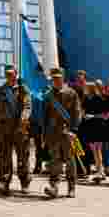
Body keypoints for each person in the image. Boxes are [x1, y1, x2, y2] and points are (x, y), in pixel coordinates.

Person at [0, 66, 32, 196]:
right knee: (5, 157)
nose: (9, 76)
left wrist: (23, 119)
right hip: (4, 128)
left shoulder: (23, 90)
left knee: (23, 156)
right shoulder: (0, 91)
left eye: (11, 74)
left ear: (16, 74)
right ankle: (4, 182)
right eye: (7, 74)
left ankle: (24, 182)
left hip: (20, 128)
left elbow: (27, 106)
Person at [42, 68, 81, 199]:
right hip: (53, 132)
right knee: (54, 160)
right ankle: (54, 186)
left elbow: (76, 113)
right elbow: (45, 115)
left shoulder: (71, 93)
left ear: (63, 77)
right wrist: (44, 133)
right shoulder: (48, 95)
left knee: (70, 160)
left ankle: (71, 187)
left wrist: (73, 130)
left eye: (58, 77)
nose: (56, 80)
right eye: (54, 78)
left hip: (67, 131)